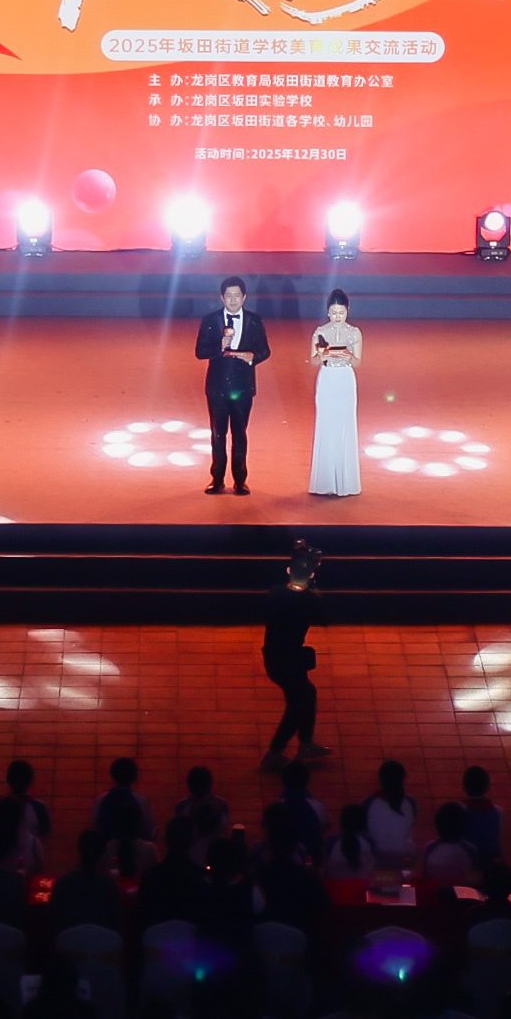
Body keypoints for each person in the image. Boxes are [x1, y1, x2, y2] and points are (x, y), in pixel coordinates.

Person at [195, 276, 269, 493]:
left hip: (243, 386)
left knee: (240, 434)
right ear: (222, 297)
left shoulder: (254, 321)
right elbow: (200, 351)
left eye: (237, 295)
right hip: (217, 387)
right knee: (217, 434)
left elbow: (265, 350)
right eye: (229, 296)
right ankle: (217, 479)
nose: (233, 300)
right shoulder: (210, 320)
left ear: (244, 297)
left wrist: (253, 356)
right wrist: (220, 346)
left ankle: (240, 480)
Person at [259, 542, 325, 761]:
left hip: (275, 655)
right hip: (290, 660)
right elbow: (325, 618)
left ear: (288, 571)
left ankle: (305, 743)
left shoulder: (276, 594)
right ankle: (277, 751)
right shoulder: (310, 601)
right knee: (299, 703)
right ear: (311, 575)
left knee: (304, 696)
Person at [307, 289, 365, 498]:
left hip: (345, 379)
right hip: (327, 378)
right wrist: (323, 355)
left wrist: (349, 357)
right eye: (333, 313)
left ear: (348, 310)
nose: (337, 317)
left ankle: (346, 482)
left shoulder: (354, 332)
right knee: (326, 424)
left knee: (345, 424)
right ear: (327, 312)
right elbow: (313, 361)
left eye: (341, 312)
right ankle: (324, 481)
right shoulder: (320, 332)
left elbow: (358, 362)